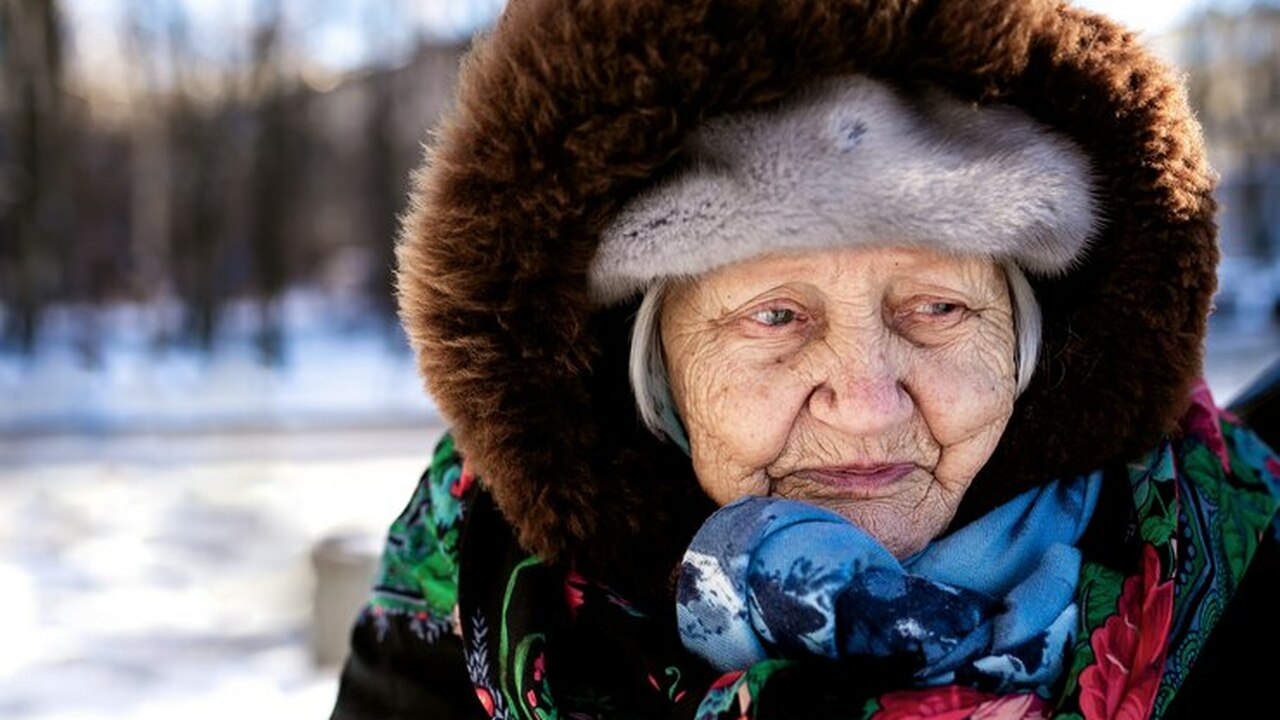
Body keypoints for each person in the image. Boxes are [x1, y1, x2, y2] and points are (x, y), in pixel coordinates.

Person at [330, 0, 1280, 718]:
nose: (866, 405)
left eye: (938, 307)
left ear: (1031, 348)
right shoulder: (476, 581)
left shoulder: (1229, 551)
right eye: (776, 316)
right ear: (652, 367)